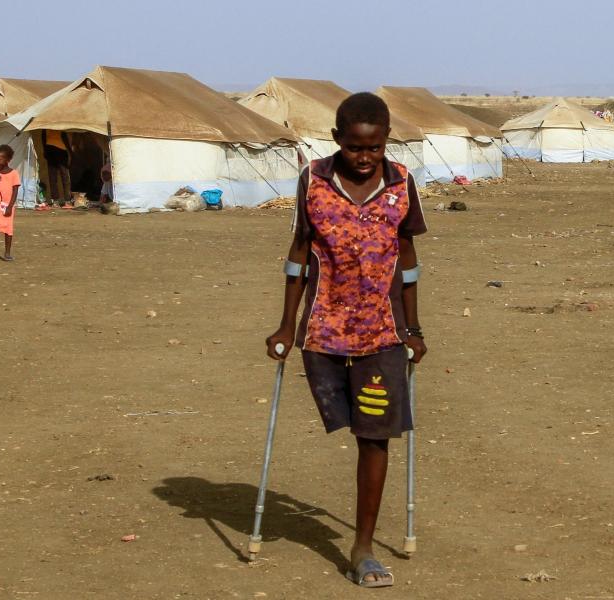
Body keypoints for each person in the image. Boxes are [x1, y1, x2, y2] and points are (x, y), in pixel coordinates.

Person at [265, 92, 427, 588]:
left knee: (375, 436)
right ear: (337, 139)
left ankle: (362, 547)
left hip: (382, 332)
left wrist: (414, 328)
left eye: (374, 148)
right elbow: (298, 251)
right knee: (344, 424)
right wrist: (286, 324)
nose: (365, 157)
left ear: (385, 143)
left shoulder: (401, 183)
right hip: (325, 332)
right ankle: (359, 541)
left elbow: (407, 257)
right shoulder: (313, 180)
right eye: (356, 147)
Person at [42, 130, 73, 207]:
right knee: (65, 176)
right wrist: (70, 150)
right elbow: (64, 136)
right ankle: (67, 200)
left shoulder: (46, 124)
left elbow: (43, 137)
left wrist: (45, 150)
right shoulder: (59, 122)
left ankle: (55, 200)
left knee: (52, 176)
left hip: (49, 148)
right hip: (60, 149)